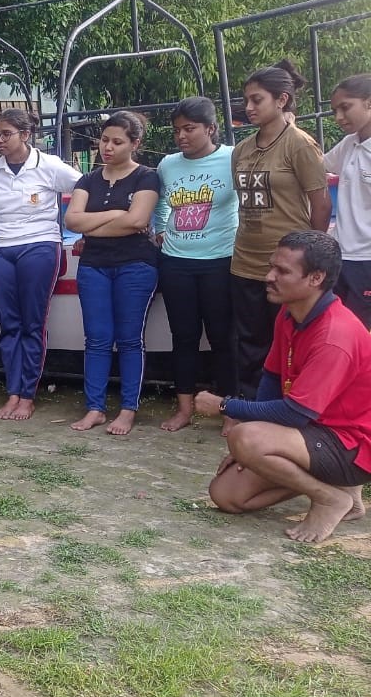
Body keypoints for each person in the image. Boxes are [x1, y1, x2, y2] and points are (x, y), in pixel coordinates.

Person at [193, 231, 371, 544]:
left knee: (244, 436)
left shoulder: (334, 335)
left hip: (352, 444)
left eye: (282, 271)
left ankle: (330, 498)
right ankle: (342, 492)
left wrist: (225, 407)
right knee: (226, 495)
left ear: (316, 278)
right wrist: (247, 450)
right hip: (316, 435)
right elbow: (273, 379)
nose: (269, 276)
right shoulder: (290, 312)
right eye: (271, 266)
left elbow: (295, 412)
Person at [231, 60, 330, 399]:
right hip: (245, 261)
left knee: (289, 344)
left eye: (257, 100)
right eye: (246, 100)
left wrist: (313, 259)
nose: (248, 107)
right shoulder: (242, 150)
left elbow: (321, 204)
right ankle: (248, 409)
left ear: (282, 100)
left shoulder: (299, 144)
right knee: (249, 342)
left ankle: (286, 413)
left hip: (288, 267)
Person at [0, 109, 80, 421]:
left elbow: (85, 187)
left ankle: (27, 396)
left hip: (40, 245)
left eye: (6, 134)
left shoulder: (49, 166)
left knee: (32, 323)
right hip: (0, 249)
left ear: (25, 135)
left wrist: (81, 226)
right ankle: (12, 392)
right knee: (9, 325)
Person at [65, 111, 160, 436]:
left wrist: (98, 225)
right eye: (104, 140)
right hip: (93, 266)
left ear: (134, 143)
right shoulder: (88, 179)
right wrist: (117, 215)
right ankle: (95, 407)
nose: (108, 147)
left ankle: (128, 408)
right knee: (97, 338)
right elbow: (72, 221)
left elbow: (137, 221)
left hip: (136, 265)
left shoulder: (146, 176)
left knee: (130, 338)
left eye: (117, 142)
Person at [154, 97, 239, 432]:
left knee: (223, 338)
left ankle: (231, 410)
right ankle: (184, 409)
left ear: (210, 128)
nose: (181, 136)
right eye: (177, 130)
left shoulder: (233, 158)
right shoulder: (168, 165)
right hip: (176, 263)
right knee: (184, 337)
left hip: (221, 261)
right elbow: (161, 202)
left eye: (189, 129)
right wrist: (160, 229)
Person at [325, 73, 371, 327]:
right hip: (342, 256)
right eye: (335, 110)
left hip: (367, 259)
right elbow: (316, 164)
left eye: (346, 107)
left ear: (369, 102)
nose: (339, 117)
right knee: (342, 328)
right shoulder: (349, 144)